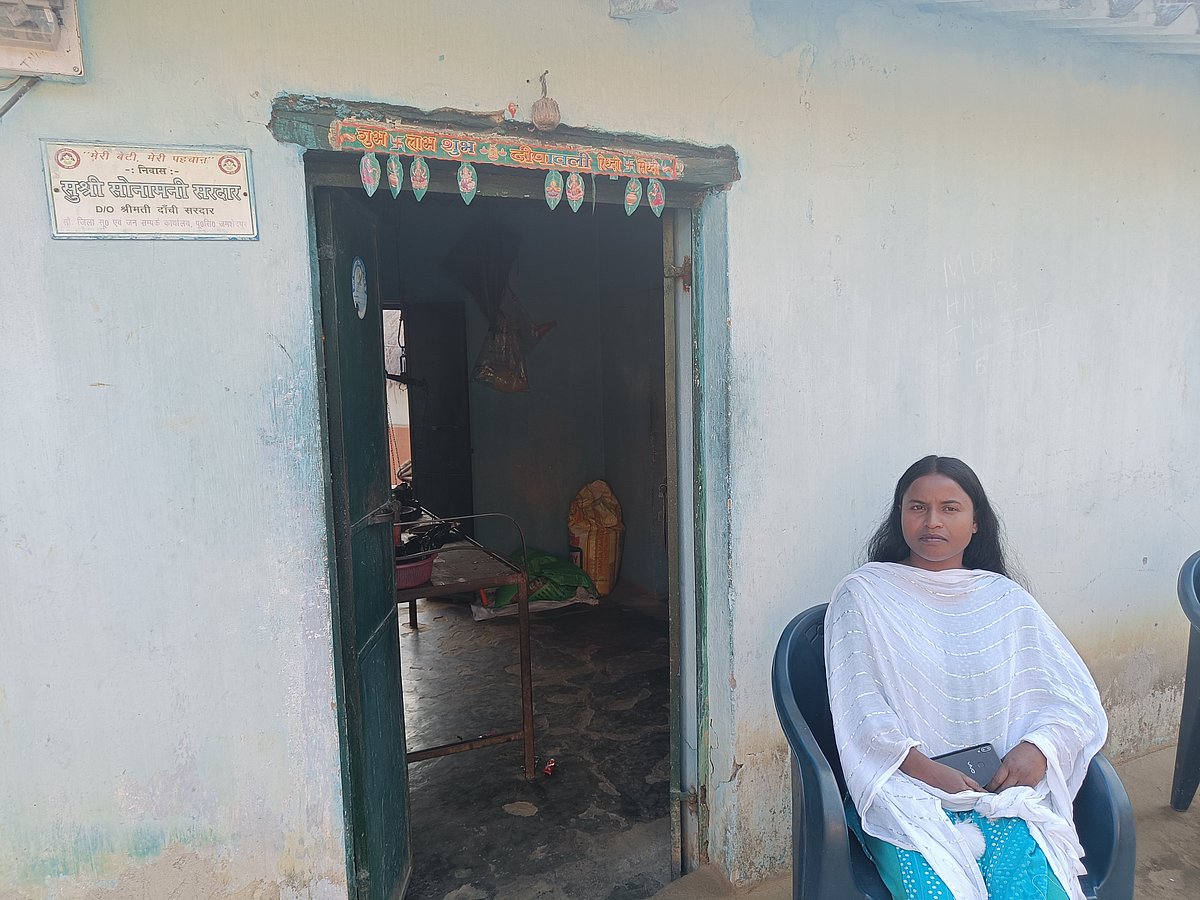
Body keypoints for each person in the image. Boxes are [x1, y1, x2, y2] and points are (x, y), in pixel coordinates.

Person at [825, 456, 1107, 900]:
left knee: (1030, 891)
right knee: (940, 890)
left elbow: (1072, 700)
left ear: (976, 522)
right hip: (903, 790)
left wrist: (1039, 748)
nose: (932, 521)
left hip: (999, 793)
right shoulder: (863, 594)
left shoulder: (1005, 598)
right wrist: (929, 773)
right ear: (899, 516)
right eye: (917, 507)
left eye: (950, 508)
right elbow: (862, 714)